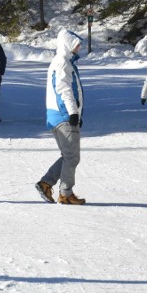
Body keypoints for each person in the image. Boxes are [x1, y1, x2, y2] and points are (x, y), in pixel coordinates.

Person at [35, 30, 86, 205]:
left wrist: (76, 113)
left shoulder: (62, 62)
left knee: (69, 155)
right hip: (63, 114)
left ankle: (46, 184)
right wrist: (72, 112)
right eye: (76, 44)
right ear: (68, 44)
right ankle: (65, 193)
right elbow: (64, 89)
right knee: (71, 156)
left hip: (59, 114)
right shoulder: (62, 63)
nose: (79, 47)